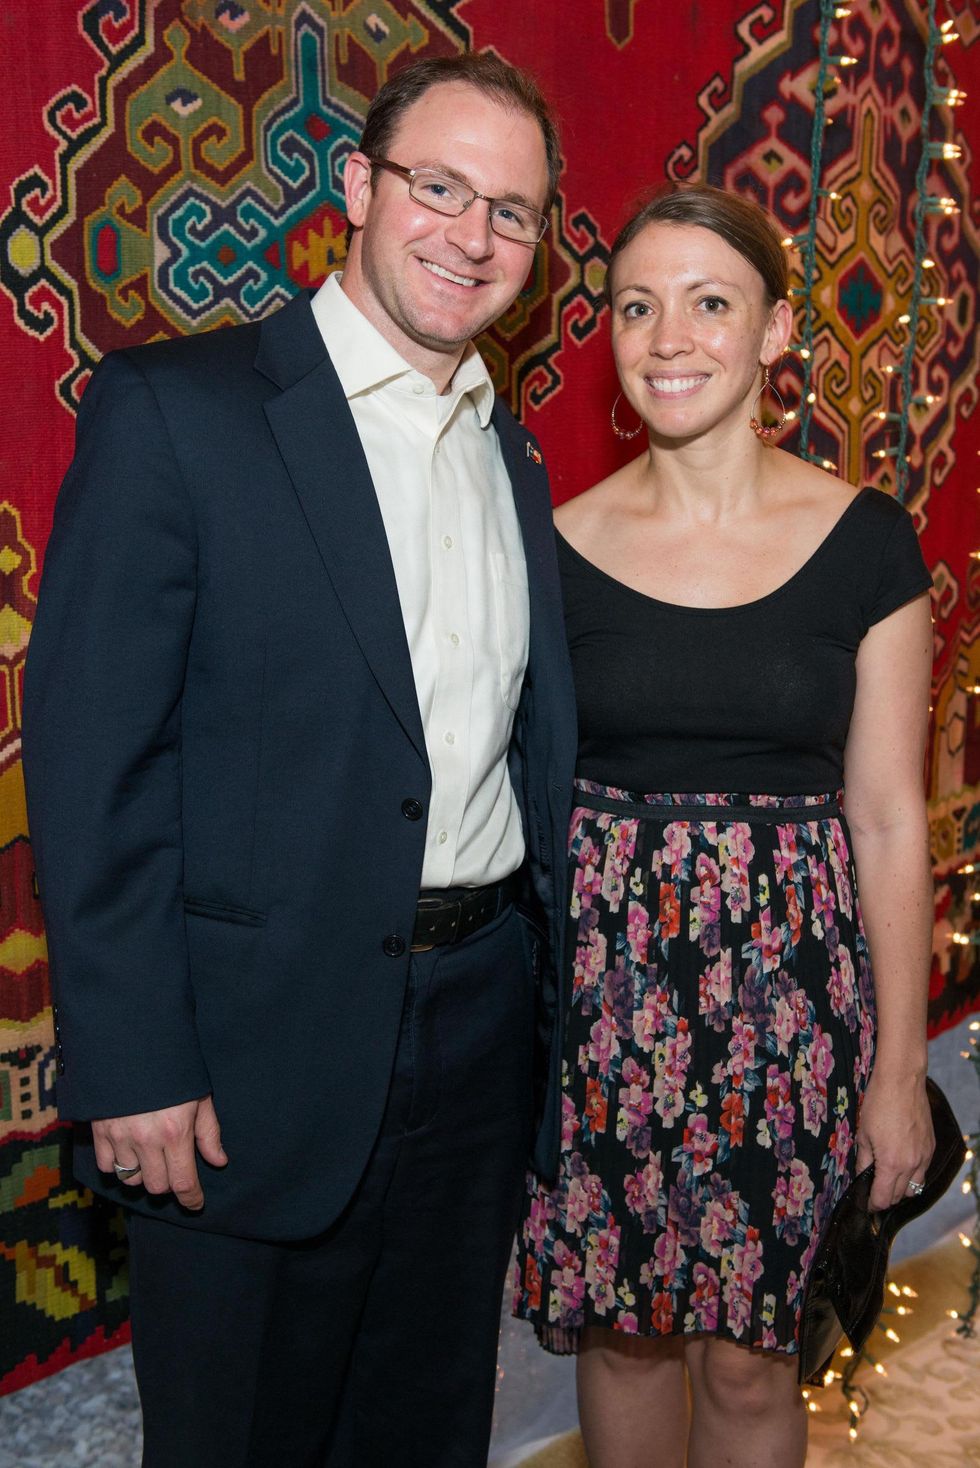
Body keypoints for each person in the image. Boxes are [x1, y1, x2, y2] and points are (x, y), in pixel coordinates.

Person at [23, 52, 577, 1468]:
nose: (471, 235)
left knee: (424, 1428)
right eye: (439, 188)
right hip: (242, 1062)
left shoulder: (509, 461)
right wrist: (132, 1056)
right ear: (355, 189)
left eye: (510, 213)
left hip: (474, 1039)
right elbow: (93, 767)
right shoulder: (179, 414)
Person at [512, 183, 936, 1468]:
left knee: (753, 1368)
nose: (667, 337)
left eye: (709, 302)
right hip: (602, 1005)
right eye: (636, 307)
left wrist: (899, 1072)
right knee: (622, 1347)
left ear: (775, 331)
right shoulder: (555, 544)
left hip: (792, 1011)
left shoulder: (865, 544)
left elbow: (886, 818)